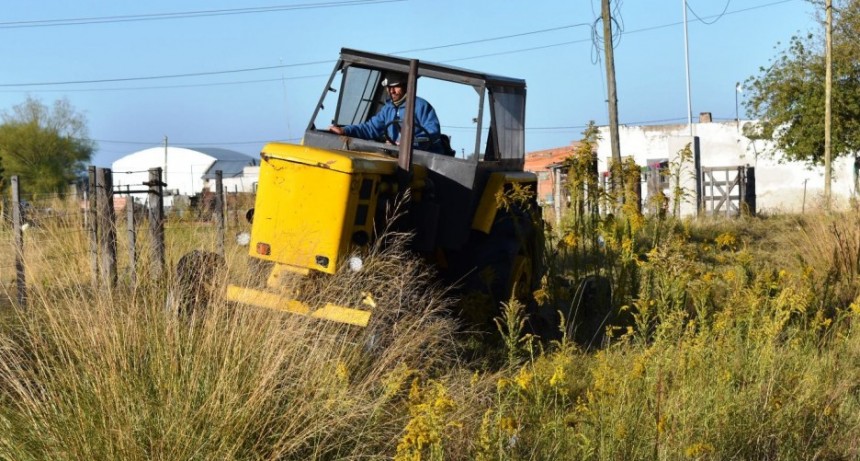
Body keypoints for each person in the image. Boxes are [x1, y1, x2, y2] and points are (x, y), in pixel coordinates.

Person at [329, 72, 443, 153]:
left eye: (395, 87)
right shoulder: (387, 109)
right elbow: (370, 128)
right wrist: (345, 130)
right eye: (388, 87)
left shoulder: (421, 106)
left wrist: (409, 143)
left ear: (406, 85)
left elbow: (432, 132)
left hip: (419, 158)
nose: (391, 91)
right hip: (395, 155)